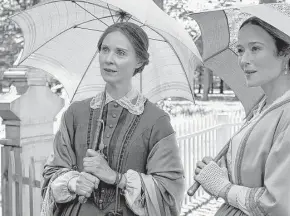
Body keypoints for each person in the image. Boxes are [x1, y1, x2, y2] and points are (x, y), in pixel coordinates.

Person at [41, 22, 185, 216]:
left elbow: (168, 192)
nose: (108, 59)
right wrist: (74, 182)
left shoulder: (156, 121)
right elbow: (51, 173)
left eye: (121, 53)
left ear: (140, 61)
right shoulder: (75, 113)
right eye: (104, 49)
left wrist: (116, 178)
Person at [193, 17, 290, 216]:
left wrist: (224, 188)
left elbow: (282, 207)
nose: (244, 60)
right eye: (240, 50)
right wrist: (220, 173)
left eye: (255, 48)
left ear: (285, 54)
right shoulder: (265, 108)